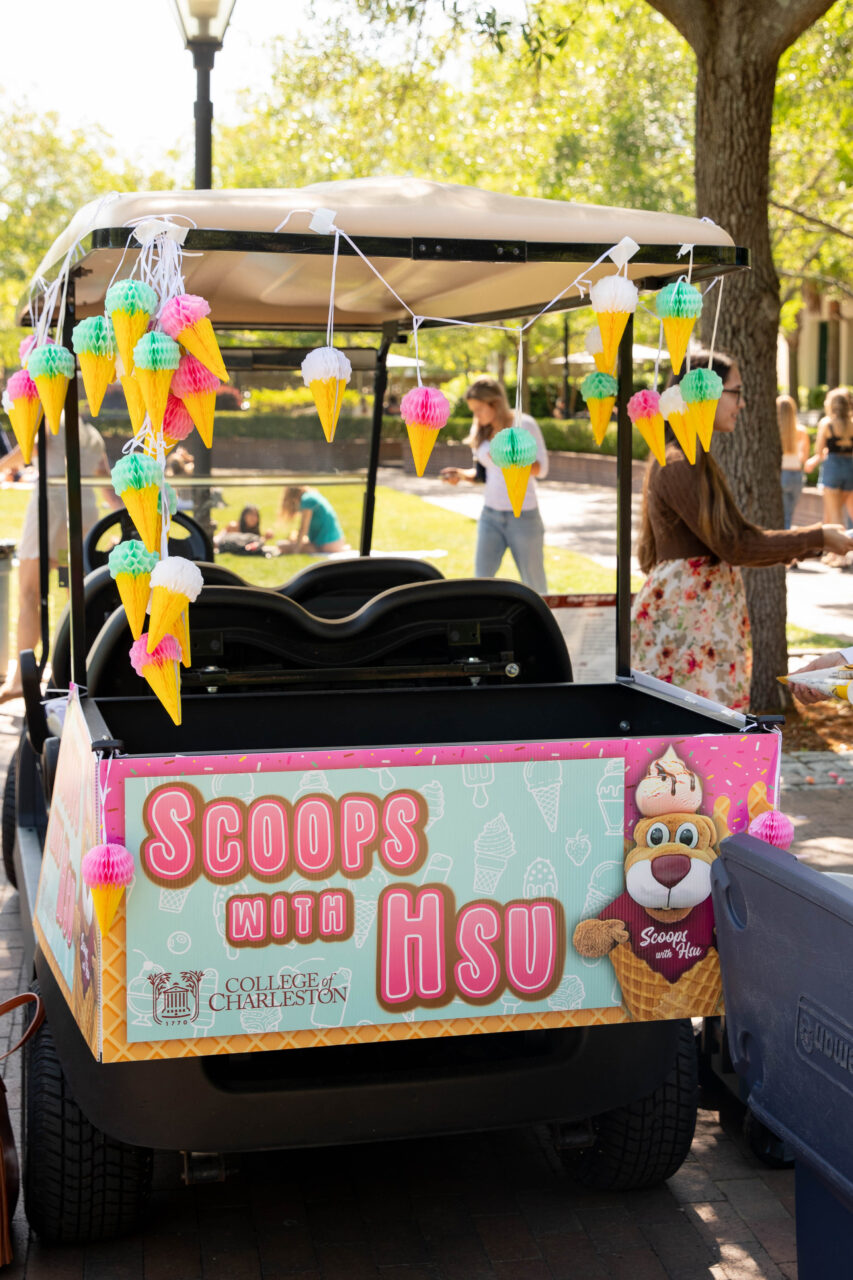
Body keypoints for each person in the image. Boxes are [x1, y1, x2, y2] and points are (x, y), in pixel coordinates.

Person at [631, 351, 853, 711]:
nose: (743, 402)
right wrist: (818, 538)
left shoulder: (688, 456)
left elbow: (733, 541)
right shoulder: (681, 460)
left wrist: (818, 540)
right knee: (696, 737)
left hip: (695, 617)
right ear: (705, 394)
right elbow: (736, 544)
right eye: (736, 391)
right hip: (686, 623)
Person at [0, 415, 122, 702]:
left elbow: (28, 450)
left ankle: (21, 681)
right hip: (81, 516)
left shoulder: (51, 418)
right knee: (73, 594)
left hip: (50, 512)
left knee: (30, 592)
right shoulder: (92, 433)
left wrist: (3, 465)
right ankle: (73, 672)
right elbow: (105, 480)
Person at [439, 376, 549, 593]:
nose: (476, 415)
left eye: (479, 409)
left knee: (535, 584)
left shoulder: (524, 424)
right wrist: (460, 475)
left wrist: (511, 458)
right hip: (490, 516)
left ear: (495, 404)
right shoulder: (481, 430)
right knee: (480, 581)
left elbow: (542, 469)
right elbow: (485, 475)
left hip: (523, 517)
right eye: (474, 410)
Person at [805, 388, 853, 565]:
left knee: (834, 516)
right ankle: (833, 554)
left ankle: (841, 556)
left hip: (833, 469)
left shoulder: (826, 424)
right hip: (850, 469)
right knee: (848, 514)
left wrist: (813, 461)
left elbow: (819, 450)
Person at [278, 486, 349, 554]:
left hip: (327, 545)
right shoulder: (311, 495)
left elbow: (303, 528)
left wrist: (296, 550)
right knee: (292, 538)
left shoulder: (307, 500)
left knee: (282, 546)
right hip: (335, 541)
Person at [777, 394, 810, 531]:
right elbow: (803, 459)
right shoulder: (802, 431)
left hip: (781, 474)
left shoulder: (774, 431)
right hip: (796, 476)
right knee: (789, 515)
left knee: (780, 514)